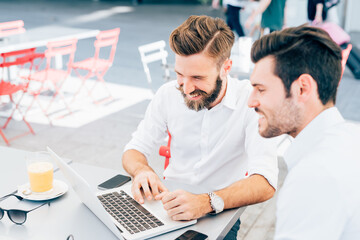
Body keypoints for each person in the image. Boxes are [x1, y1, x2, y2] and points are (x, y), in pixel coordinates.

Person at [122, 15, 279, 239]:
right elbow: (134, 149)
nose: (186, 88)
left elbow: (266, 182)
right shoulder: (167, 94)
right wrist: (142, 170)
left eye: (197, 77)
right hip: (166, 208)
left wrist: (206, 202)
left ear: (226, 68)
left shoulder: (252, 103)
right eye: (179, 75)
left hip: (220, 212)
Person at [248, 25, 360, 239]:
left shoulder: (314, 176)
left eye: (261, 89)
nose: (250, 101)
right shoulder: (351, 141)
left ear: (302, 89)